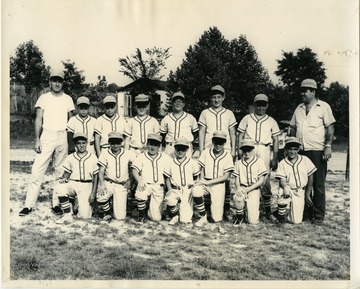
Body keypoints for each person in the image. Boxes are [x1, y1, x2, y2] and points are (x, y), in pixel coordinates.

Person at [19, 69, 75, 216]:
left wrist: (71, 142)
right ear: (50, 82)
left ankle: (57, 203)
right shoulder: (43, 98)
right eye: (54, 80)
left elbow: (72, 122)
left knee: (60, 171)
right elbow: (38, 119)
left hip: (62, 135)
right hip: (47, 135)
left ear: (63, 83)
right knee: (37, 170)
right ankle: (28, 205)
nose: (57, 83)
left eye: (60, 81)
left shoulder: (68, 99)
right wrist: (37, 139)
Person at [289, 79, 335, 225]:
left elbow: (330, 128)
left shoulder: (323, 107)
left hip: (317, 151)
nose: (302, 93)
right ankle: (305, 212)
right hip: (301, 151)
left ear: (314, 91)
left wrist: (328, 146)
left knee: (318, 184)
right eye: (301, 90)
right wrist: (291, 145)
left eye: (306, 90)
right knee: (302, 183)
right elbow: (293, 128)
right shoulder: (299, 108)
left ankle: (318, 215)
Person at [237, 94, 280, 221]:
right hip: (249, 147)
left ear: (267, 105)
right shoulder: (247, 118)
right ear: (254, 105)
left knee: (265, 179)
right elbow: (240, 135)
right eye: (258, 104)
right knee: (245, 175)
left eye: (263, 104)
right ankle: (243, 208)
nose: (260, 107)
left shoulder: (271, 120)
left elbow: (276, 139)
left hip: (264, 148)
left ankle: (267, 211)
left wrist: (275, 157)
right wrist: (239, 151)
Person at [198, 85, 237, 221]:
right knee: (208, 178)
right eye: (214, 97)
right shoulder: (205, 112)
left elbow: (232, 132)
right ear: (210, 98)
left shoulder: (229, 113)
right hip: (210, 147)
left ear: (223, 97)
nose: (216, 100)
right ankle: (207, 208)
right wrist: (202, 149)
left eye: (219, 97)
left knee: (224, 181)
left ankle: (225, 208)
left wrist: (233, 150)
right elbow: (202, 131)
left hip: (224, 148)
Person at [54, 133, 99, 224]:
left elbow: (96, 177)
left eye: (83, 143)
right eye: (79, 143)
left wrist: (93, 193)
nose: (81, 145)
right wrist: (63, 179)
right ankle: (67, 215)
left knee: (84, 216)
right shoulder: (70, 157)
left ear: (87, 143)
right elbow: (67, 173)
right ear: (75, 145)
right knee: (59, 187)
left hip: (87, 185)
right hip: (74, 183)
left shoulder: (93, 157)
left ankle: (75, 203)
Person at [192, 131, 235, 226]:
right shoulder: (206, 152)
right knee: (196, 190)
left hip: (218, 185)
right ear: (212, 141)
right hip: (206, 181)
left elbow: (225, 177)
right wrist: (202, 180)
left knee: (216, 219)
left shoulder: (227, 156)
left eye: (221, 143)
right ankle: (203, 216)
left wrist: (208, 182)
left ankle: (217, 212)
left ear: (224, 143)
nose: (218, 145)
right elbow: (202, 168)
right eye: (216, 142)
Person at [274, 137, 317, 224]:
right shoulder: (282, 163)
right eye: (290, 149)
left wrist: (307, 195)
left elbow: (311, 177)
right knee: (281, 190)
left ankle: (284, 212)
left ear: (298, 149)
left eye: (295, 149)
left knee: (296, 221)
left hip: (300, 191)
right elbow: (282, 179)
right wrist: (285, 187)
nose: (292, 152)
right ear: (286, 149)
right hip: (289, 190)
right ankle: (281, 215)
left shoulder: (305, 159)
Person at [96, 132, 137, 222]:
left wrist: (131, 181)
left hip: (122, 185)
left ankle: (110, 210)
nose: (115, 145)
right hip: (109, 182)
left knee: (120, 217)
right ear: (109, 143)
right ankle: (107, 213)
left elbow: (137, 166)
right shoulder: (105, 153)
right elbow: (101, 171)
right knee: (101, 196)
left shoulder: (127, 153)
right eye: (113, 143)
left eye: (118, 143)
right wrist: (102, 184)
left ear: (122, 143)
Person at [131, 134, 171, 223]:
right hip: (145, 184)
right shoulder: (142, 156)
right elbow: (134, 170)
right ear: (147, 144)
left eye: (155, 145)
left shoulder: (165, 157)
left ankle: (148, 209)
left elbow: (170, 172)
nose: (152, 147)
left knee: (155, 218)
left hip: (158, 187)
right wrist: (139, 181)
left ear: (159, 146)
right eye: (151, 144)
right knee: (140, 193)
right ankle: (141, 214)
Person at [164, 138, 201, 225]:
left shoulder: (192, 162)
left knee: (185, 220)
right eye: (178, 149)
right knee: (169, 199)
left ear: (187, 149)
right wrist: (169, 189)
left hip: (187, 190)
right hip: (175, 189)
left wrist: (193, 187)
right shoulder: (170, 162)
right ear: (175, 149)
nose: (180, 151)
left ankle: (182, 211)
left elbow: (196, 177)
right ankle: (175, 215)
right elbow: (167, 177)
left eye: (183, 149)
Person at [232, 139, 268, 225]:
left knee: (252, 221)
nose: (247, 152)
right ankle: (239, 216)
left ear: (253, 149)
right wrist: (238, 188)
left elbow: (261, 180)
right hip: (242, 187)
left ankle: (248, 211)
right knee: (238, 197)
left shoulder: (259, 161)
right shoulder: (238, 163)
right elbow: (237, 178)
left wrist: (248, 189)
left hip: (253, 189)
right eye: (245, 150)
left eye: (249, 150)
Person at [160, 92, 199, 158]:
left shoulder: (190, 117)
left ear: (184, 104)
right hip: (171, 146)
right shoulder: (166, 118)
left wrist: (187, 140)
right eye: (175, 101)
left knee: (186, 167)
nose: (178, 103)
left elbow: (196, 132)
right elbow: (162, 134)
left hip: (185, 147)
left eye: (180, 101)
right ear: (172, 103)